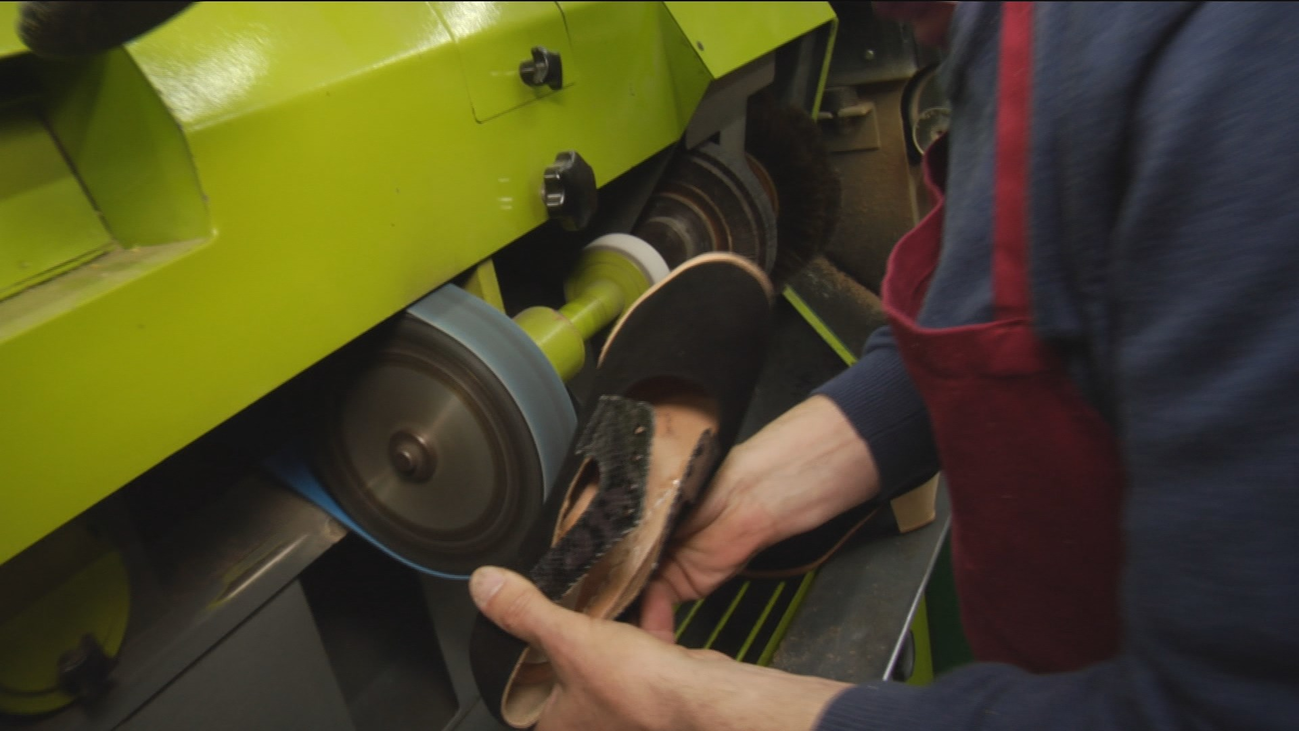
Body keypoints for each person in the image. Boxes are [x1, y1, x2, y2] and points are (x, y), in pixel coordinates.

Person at [469, 2, 1299, 728]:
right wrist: (753, 494)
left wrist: (691, 706)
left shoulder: (1240, 55)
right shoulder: (1026, 33)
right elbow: (1026, 303)